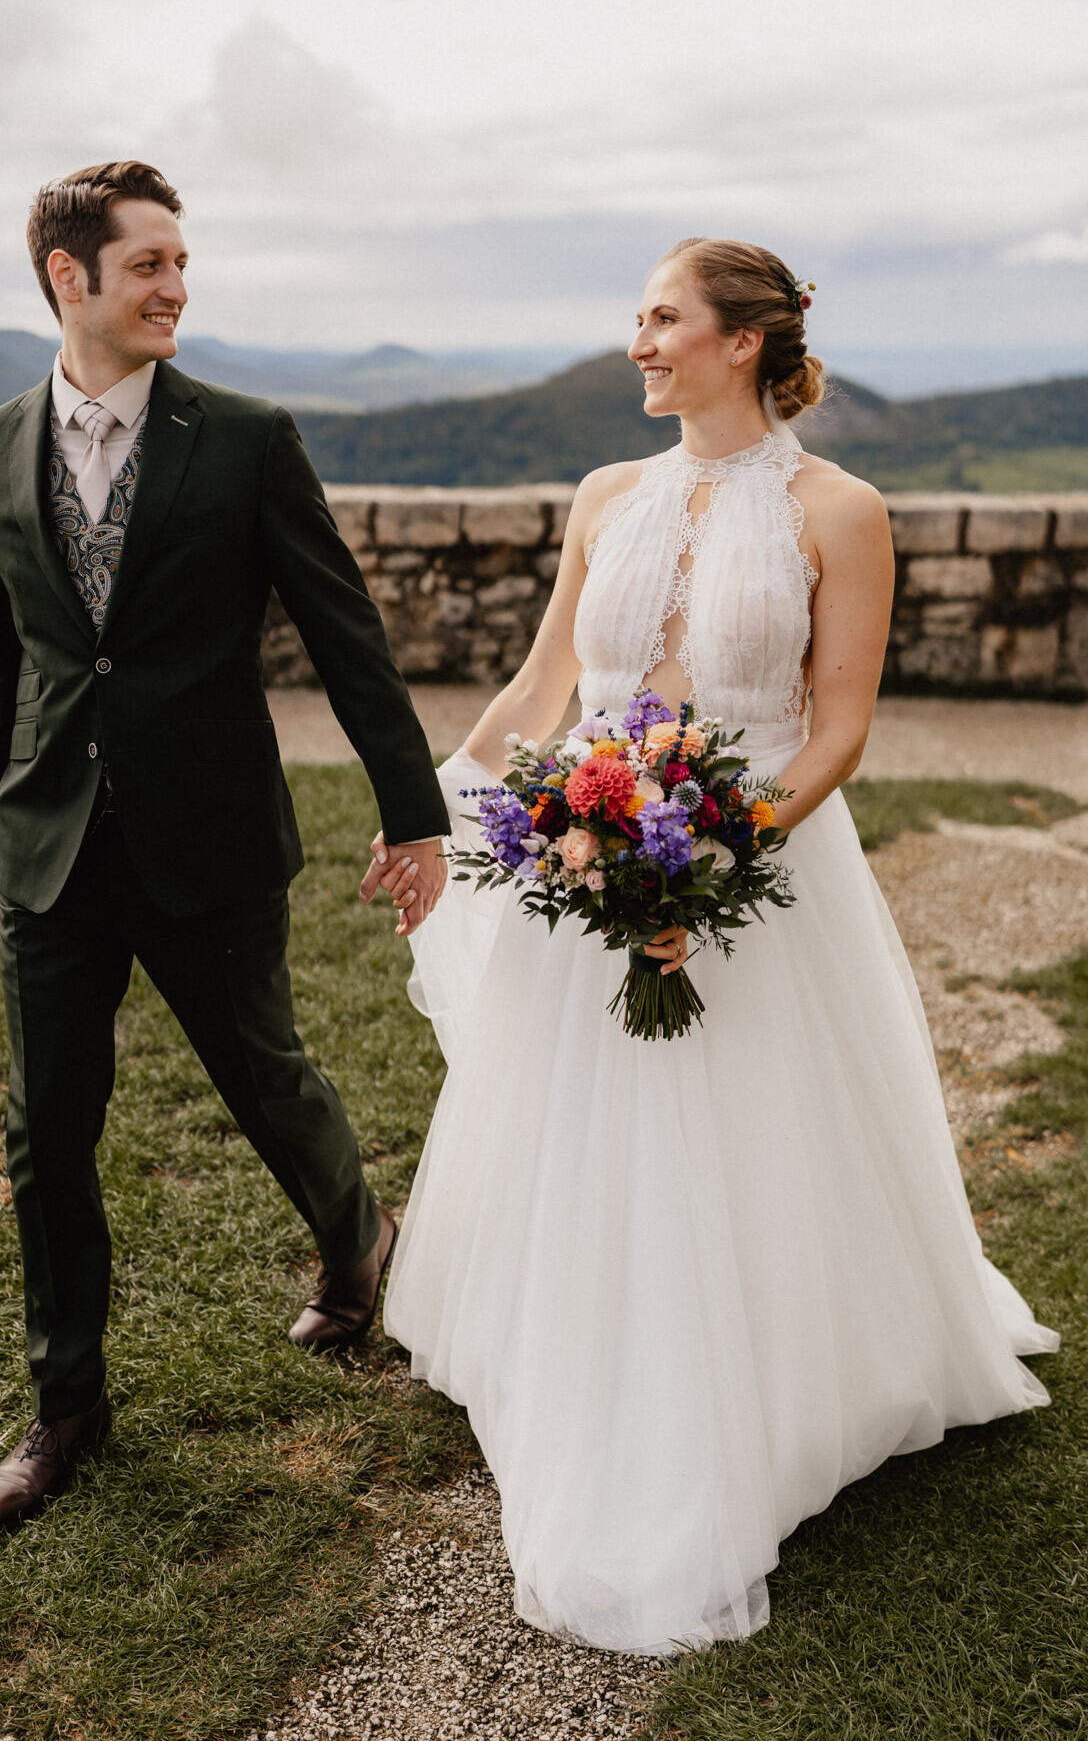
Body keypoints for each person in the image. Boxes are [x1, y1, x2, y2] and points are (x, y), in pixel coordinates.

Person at [382, 237, 1059, 1655]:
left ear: (743, 341)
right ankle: (597, 1356)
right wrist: (440, 809)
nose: (639, 341)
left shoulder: (844, 507)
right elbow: (545, 682)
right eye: (638, 317)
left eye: (661, 317)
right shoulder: (604, 495)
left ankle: (774, 1385)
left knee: (754, 1132)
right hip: (593, 850)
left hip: (760, 864)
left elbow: (841, 728)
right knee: (591, 1127)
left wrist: (713, 854)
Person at [0, 160, 448, 1530]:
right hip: (49, 843)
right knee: (45, 1131)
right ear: (72, 277)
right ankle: (67, 1412)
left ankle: (358, 1246)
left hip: (212, 838)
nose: (179, 286)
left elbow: (345, 631)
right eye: (151, 264)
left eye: (183, 262)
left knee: (264, 1074)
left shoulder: (244, 437)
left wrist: (414, 813)